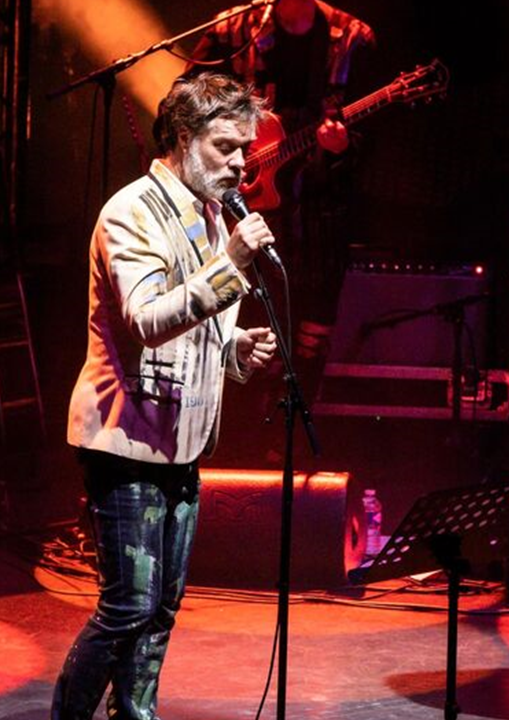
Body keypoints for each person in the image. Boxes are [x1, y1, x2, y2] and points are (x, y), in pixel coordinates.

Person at [53, 72, 278, 720]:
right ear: (183, 137)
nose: (241, 164)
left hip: (179, 445)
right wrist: (232, 263)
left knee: (163, 606)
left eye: (244, 150)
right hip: (123, 439)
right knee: (128, 605)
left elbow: (199, 327)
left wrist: (236, 351)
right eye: (226, 148)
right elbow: (148, 319)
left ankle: (136, 713)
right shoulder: (131, 213)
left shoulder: (210, 218)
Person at [189, 0, 375, 396]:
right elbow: (184, 102)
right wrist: (228, 146)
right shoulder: (235, 31)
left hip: (318, 207)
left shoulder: (352, 40)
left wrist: (342, 146)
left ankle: (298, 427)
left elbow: (374, 134)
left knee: (312, 323)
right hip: (245, 207)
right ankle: (245, 430)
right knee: (248, 317)